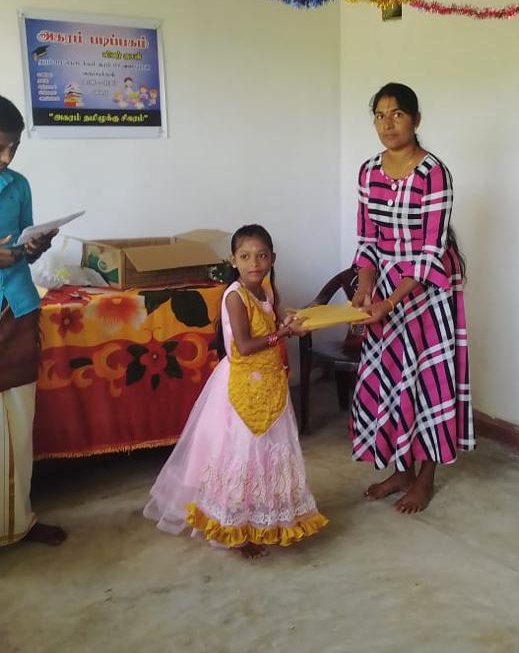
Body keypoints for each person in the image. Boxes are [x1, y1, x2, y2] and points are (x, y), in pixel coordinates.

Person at [144, 224, 328, 559]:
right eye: (245, 256)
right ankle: (237, 529)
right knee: (242, 454)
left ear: (272, 258)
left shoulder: (267, 290)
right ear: (233, 260)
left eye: (261, 256)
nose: (254, 263)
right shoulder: (234, 296)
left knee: (269, 453)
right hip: (241, 385)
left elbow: (273, 323)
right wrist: (283, 334)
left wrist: (292, 324)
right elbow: (243, 346)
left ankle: (264, 517)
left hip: (269, 382)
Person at [350, 83, 475, 514]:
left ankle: (425, 477)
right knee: (389, 380)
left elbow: (429, 252)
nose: (387, 124)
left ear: (416, 120)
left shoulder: (433, 173)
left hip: (427, 292)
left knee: (427, 383)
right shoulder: (368, 171)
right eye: (380, 115)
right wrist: (365, 288)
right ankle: (401, 469)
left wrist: (388, 303)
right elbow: (367, 241)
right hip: (385, 290)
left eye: (397, 114)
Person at [0, 95, 65, 548]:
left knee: (20, 423)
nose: (8, 157)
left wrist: (34, 247)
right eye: (0, 146)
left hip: (18, 309)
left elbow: (22, 248)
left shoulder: (18, 185)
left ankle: (18, 521)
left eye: (15, 147)